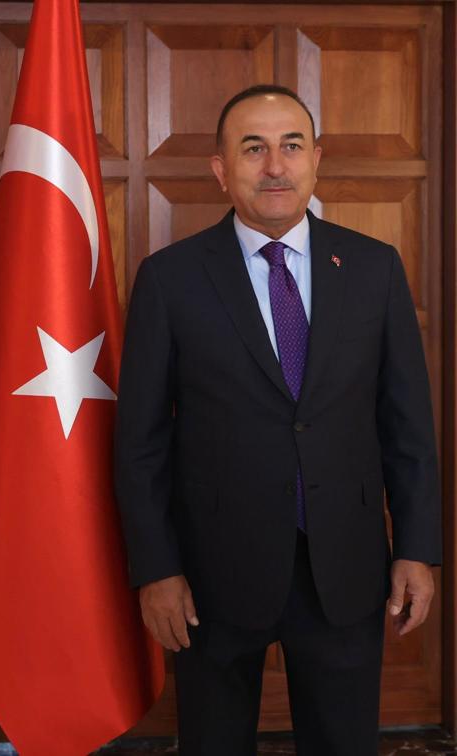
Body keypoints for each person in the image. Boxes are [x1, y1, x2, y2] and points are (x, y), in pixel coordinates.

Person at [116, 84, 440, 754]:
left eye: (291, 146)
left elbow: (407, 427)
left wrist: (416, 548)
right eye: (253, 148)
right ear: (221, 168)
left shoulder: (374, 269)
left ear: (315, 160)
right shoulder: (170, 279)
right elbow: (140, 443)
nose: (274, 166)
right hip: (212, 573)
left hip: (344, 567)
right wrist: (156, 569)